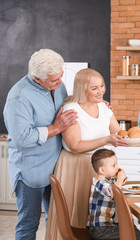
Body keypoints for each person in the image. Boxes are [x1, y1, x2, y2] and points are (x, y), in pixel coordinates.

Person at [3, 49, 78, 240]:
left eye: (61, 76)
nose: (60, 83)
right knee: (29, 223)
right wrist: (56, 127)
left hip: (55, 167)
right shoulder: (18, 97)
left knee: (56, 220)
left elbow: (69, 106)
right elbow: (21, 138)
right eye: (54, 80)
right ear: (37, 79)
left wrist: (98, 104)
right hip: (30, 172)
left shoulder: (57, 85)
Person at [45, 68, 128, 239]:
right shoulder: (71, 109)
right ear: (83, 89)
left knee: (97, 215)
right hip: (75, 166)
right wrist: (107, 140)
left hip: (100, 167)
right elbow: (75, 146)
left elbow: (119, 133)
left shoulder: (104, 108)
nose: (101, 91)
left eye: (102, 86)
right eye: (94, 88)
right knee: (76, 213)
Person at [88, 149, 140, 240]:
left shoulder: (108, 180)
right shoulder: (100, 182)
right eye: (113, 165)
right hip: (100, 229)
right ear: (102, 169)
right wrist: (120, 179)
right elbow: (114, 194)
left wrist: (120, 178)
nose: (117, 167)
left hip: (105, 226)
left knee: (132, 228)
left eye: (117, 164)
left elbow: (116, 186)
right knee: (133, 232)